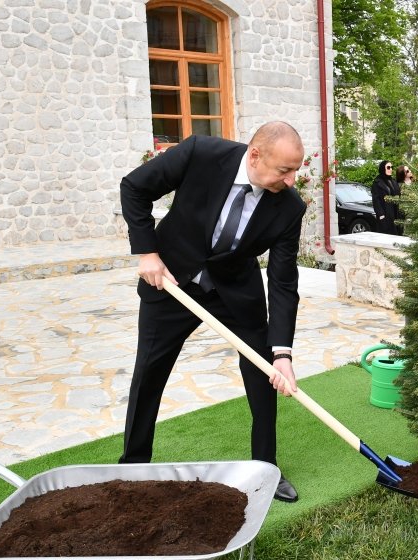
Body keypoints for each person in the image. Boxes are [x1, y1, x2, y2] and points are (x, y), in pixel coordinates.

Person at [118, 121, 306, 503]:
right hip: (170, 281)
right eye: (284, 170)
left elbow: (283, 281)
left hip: (234, 291)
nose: (290, 181)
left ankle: (266, 467)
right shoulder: (200, 153)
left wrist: (282, 354)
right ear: (255, 155)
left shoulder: (290, 207)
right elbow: (134, 187)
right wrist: (147, 252)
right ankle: (133, 468)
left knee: (263, 374)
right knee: (149, 372)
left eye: (295, 171)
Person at [372, 160, 401, 235]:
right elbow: (376, 200)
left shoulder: (393, 181)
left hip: (395, 213)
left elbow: (399, 196)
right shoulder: (377, 182)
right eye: (388, 167)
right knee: (386, 235)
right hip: (385, 214)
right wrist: (381, 215)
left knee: (397, 235)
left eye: (391, 167)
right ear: (383, 168)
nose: (390, 169)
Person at [394, 164, 413, 235]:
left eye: (409, 169)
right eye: (407, 171)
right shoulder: (399, 186)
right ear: (403, 174)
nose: (410, 171)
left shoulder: (416, 182)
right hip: (406, 214)